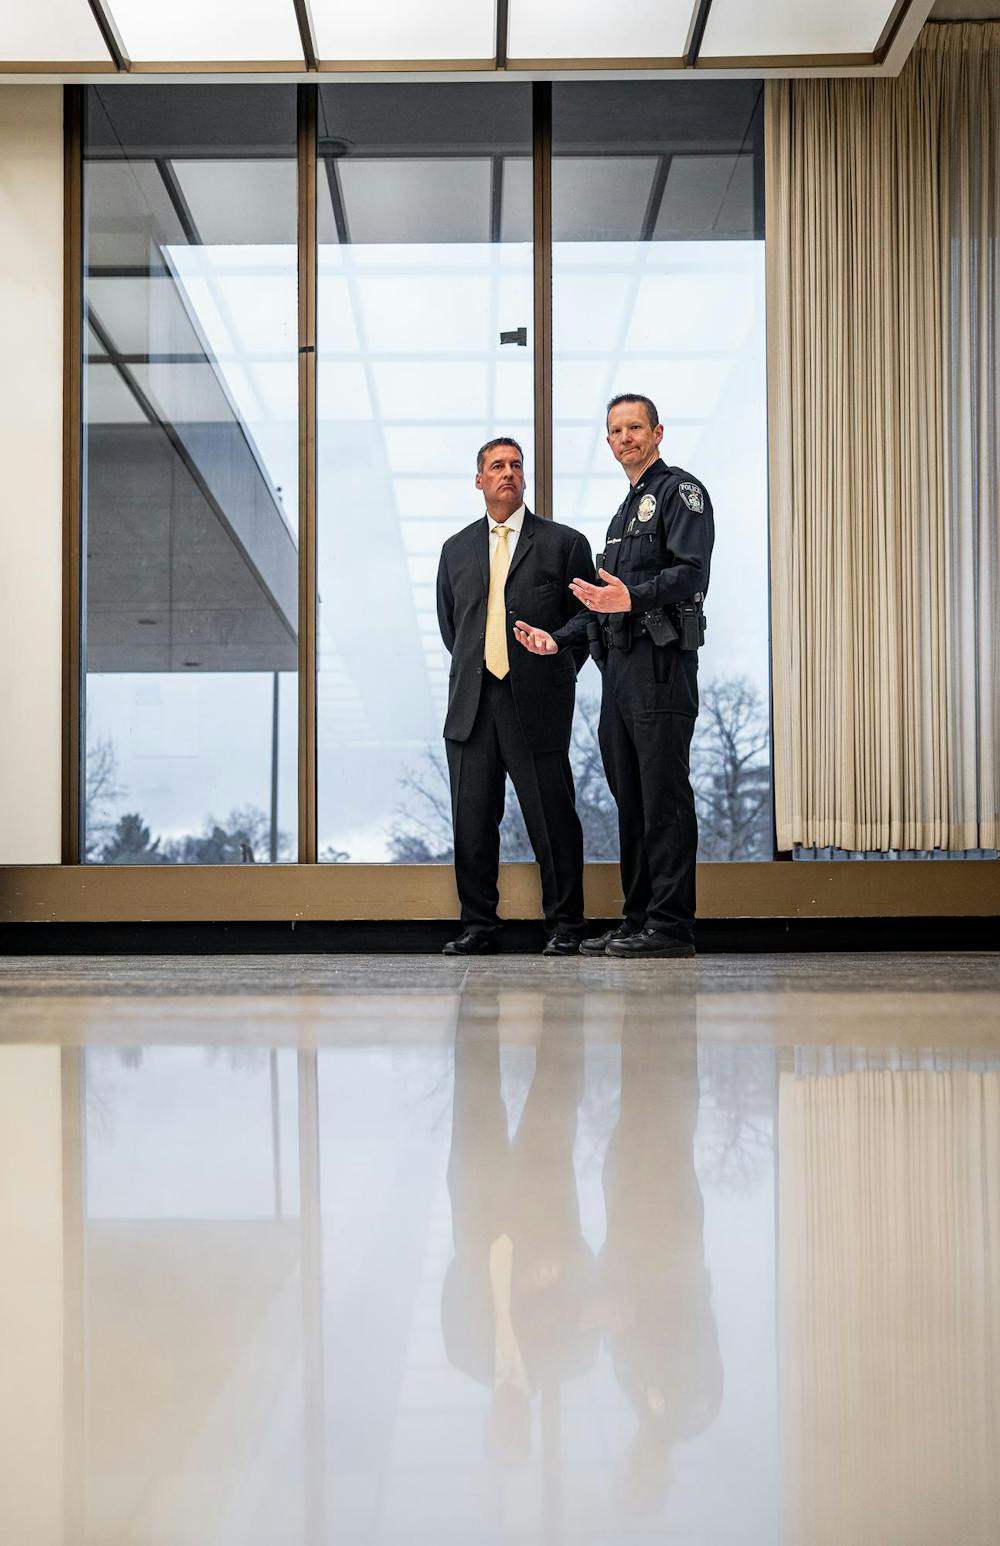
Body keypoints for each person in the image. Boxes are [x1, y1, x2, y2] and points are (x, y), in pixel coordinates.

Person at [514, 395, 714, 958]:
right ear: (608, 442)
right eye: (616, 430)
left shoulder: (682, 493)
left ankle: (671, 927)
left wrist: (634, 596)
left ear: (657, 432)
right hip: (619, 673)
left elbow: (690, 572)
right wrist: (559, 638)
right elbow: (605, 601)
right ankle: (639, 919)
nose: (625, 437)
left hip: (661, 666)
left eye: (635, 427)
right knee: (632, 798)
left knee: (663, 797)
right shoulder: (622, 514)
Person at [436, 438, 596, 956]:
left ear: (523, 478)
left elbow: (588, 617)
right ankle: (478, 927)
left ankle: (567, 927)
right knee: (473, 821)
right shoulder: (454, 549)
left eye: (515, 465)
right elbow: (451, 626)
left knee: (552, 819)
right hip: (472, 705)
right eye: (496, 466)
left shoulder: (564, 543)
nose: (508, 472)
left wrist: (558, 666)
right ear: (479, 480)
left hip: (537, 703)